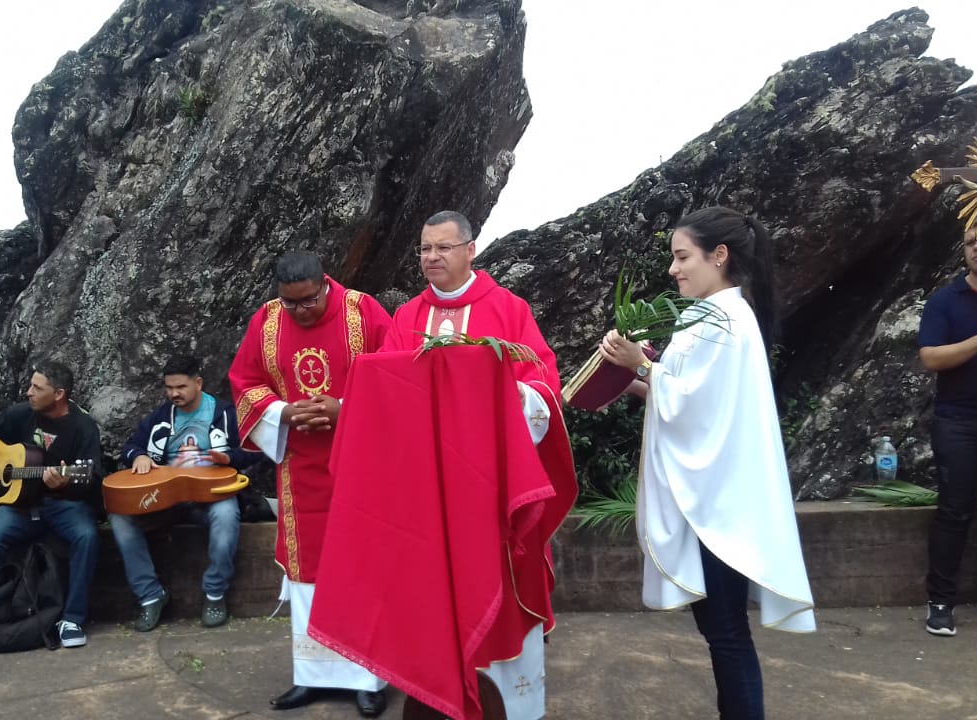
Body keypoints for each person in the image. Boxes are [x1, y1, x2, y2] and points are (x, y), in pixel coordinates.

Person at [320, 210, 577, 719]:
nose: (430, 258)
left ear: (470, 250)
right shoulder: (407, 317)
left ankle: (507, 704)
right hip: (425, 496)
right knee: (425, 593)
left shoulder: (507, 309)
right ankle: (433, 689)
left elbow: (544, 384)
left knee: (496, 588)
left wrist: (507, 398)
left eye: (441, 248)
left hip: (491, 490)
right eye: (423, 249)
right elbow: (384, 394)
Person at [600, 206, 815, 719]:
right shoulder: (709, 317)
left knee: (726, 634)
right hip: (709, 499)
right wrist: (622, 375)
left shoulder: (727, 322)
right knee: (721, 632)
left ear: (719, 256)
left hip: (716, 504)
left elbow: (691, 401)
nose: (674, 269)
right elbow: (681, 396)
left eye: (682, 257)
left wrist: (642, 363)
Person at [228, 251, 393, 717]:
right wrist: (284, 412)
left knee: (361, 568)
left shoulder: (364, 311)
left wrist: (345, 406)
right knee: (307, 572)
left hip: (362, 461)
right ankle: (313, 675)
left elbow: (395, 374)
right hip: (300, 467)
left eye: (308, 301)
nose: (300, 311)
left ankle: (367, 678)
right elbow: (245, 380)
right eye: (290, 303)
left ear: (325, 283)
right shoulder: (268, 319)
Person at [110, 354, 260, 631]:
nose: (174, 394)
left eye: (180, 387)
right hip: (165, 499)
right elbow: (129, 448)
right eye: (169, 388)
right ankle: (150, 596)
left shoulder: (224, 414)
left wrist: (229, 459)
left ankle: (215, 593)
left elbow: (253, 452)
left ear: (198, 383)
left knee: (227, 514)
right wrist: (138, 457)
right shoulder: (161, 417)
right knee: (121, 517)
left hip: (209, 496)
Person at [0, 360, 103, 649]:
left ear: (58, 394)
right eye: (31, 385)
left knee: (87, 536)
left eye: (37, 387)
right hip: (19, 504)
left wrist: (67, 482)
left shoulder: (82, 427)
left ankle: (72, 618)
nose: (29, 391)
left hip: (63, 504)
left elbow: (92, 478)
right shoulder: (23, 413)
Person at [918, 223, 977, 636]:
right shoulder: (944, 300)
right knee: (955, 512)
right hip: (960, 422)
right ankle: (940, 602)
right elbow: (931, 357)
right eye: (970, 242)